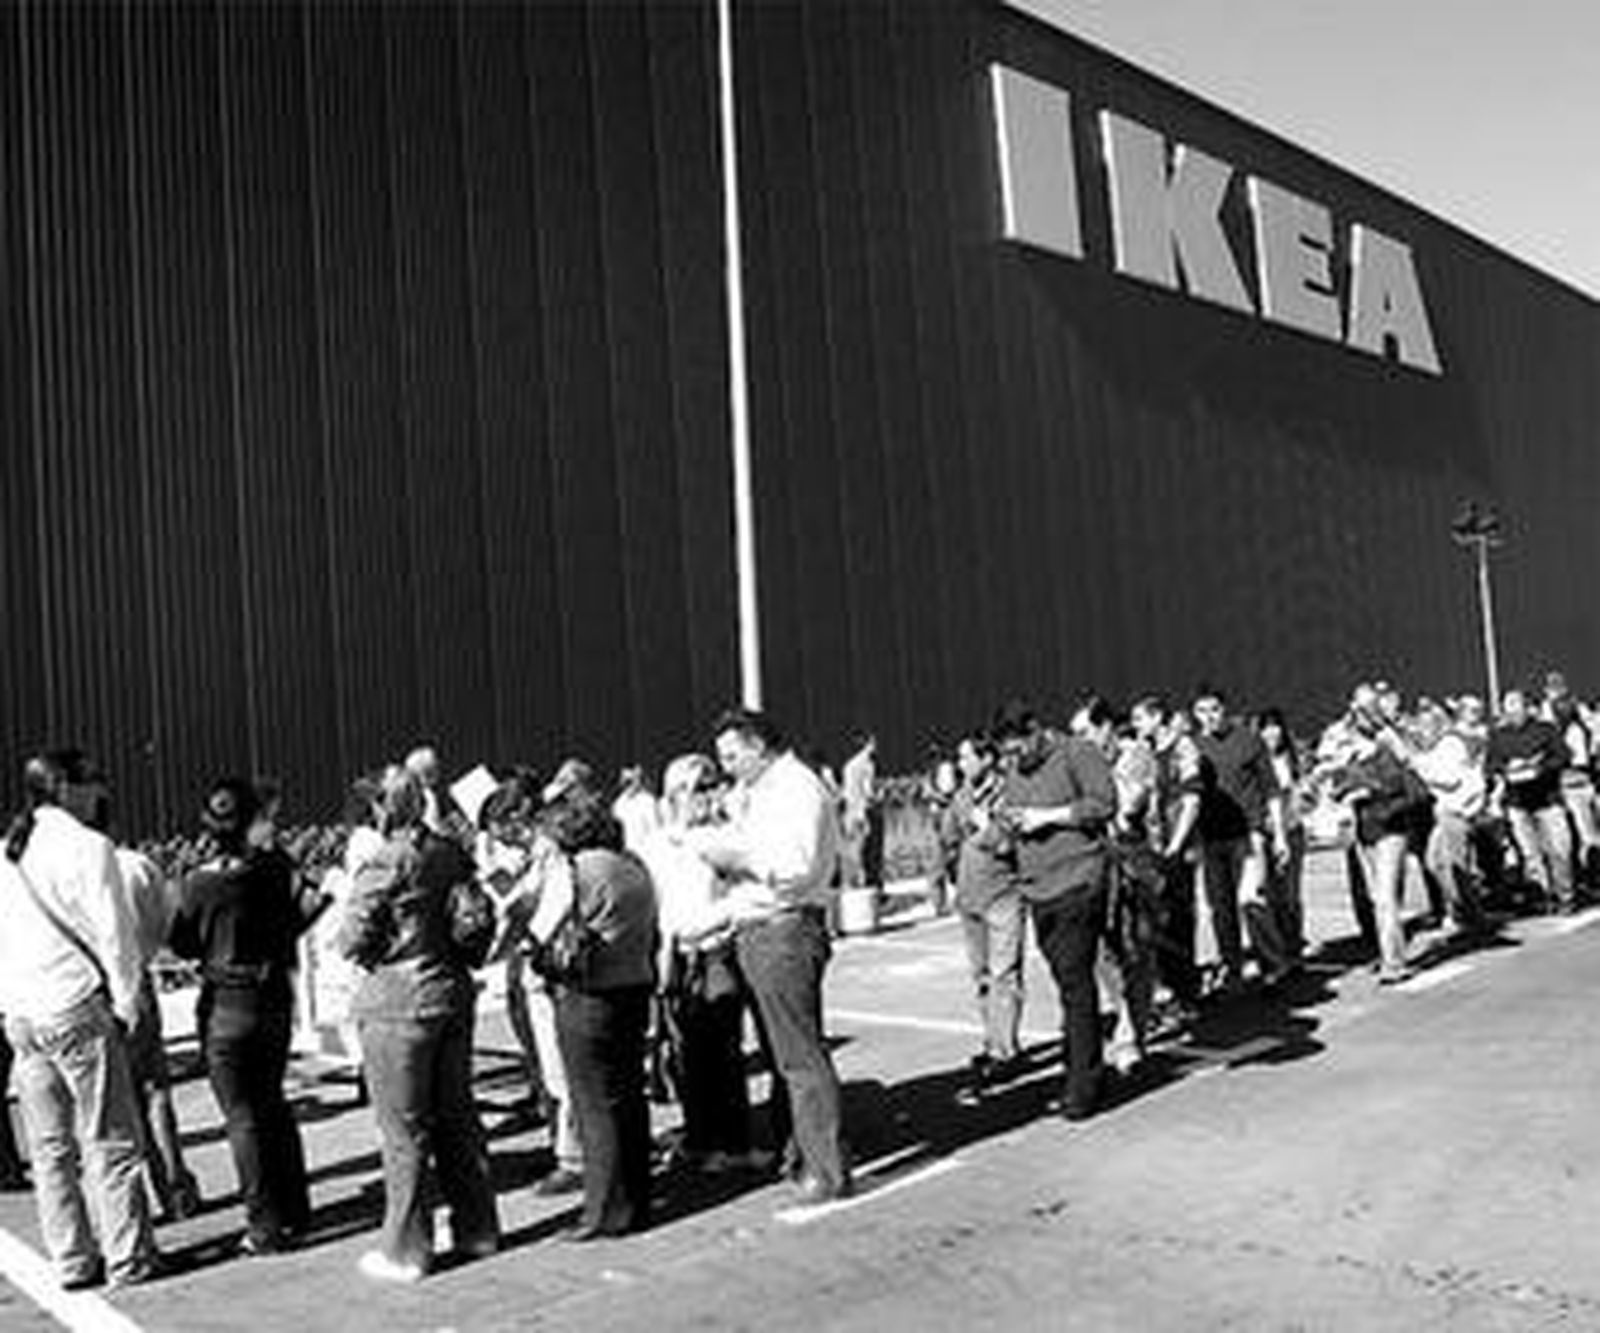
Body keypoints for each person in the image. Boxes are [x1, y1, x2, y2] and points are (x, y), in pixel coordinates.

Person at [0, 750, 161, 1289]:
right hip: (76, 1004)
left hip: (23, 1012)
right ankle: (128, 1256)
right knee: (110, 1139)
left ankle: (71, 1258)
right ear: (66, 787)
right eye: (93, 782)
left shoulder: (8, 850)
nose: (99, 793)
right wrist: (128, 1002)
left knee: (50, 1149)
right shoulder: (91, 848)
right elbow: (116, 936)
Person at [340, 765, 501, 1282]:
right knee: (457, 1117)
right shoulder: (450, 851)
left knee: (403, 1130)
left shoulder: (384, 861)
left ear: (383, 808)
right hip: (451, 992)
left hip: (397, 1002)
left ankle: (405, 1249)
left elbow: (350, 938)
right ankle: (478, 1229)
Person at [687, 708, 851, 1204]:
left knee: (800, 1057)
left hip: (784, 930)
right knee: (786, 1056)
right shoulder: (760, 792)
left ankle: (827, 1167)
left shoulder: (797, 789)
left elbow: (795, 867)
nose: (728, 766)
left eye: (732, 755)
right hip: (760, 929)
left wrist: (733, 855)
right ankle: (802, 1154)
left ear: (758, 746)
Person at [170, 778, 324, 1255]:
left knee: (241, 1116)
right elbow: (306, 909)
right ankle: (296, 1207)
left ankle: (264, 1223)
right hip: (273, 996)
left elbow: (182, 943)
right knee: (273, 1101)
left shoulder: (199, 882)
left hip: (225, 1002)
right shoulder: (276, 867)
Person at [524, 786, 659, 1240]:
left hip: (588, 992)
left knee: (592, 1103)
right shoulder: (634, 866)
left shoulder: (576, 871)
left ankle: (602, 1211)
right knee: (628, 1096)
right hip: (635, 986)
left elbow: (542, 930)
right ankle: (636, 1196)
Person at [77, 777, 201, 1222]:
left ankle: (128, 1207)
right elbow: (166, 926)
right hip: (139, 980)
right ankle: (176, 1187)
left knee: (111, 1104)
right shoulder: (137, 866)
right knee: (156, 1090)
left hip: (92, 989)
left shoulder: (72, 871)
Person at [992, 700, 1115, 1121]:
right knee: (1067, 981)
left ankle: (1084, 1084)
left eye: (1016, 749)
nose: (1012, 759)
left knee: (1075, 981)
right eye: (1005, 753)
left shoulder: (1077, 752)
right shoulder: (1014, 772)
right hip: (1038, 890)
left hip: (1078, 880)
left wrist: (1047, 817)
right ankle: (1082, 1064)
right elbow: (1014, 816)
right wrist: (1007, 825)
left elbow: (1103, 803)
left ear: (1035, 731)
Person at [637, 755, 752, 1170]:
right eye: (695, 788)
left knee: (723, 1049)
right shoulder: (656, 845)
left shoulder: (726, 837)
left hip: (717, 949)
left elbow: (743, 897)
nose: (705, 796)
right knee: (685, 1054)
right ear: (673, 795)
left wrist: (718, 917)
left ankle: (734, 1143)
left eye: (710, 785)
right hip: (674, 955)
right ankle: (701, 1137)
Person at [1191, 685, 1293, 992]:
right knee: (1220, 907)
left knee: (1250, 899)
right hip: (1211, 838)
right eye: (1202, 711)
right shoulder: (1194, 746)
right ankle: (1232, 967)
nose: (1209, 717)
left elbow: (1271, 789)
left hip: (1248, 835)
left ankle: (1274, 963)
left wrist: (1280, 836)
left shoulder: (1249, 741)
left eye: (1215, 710)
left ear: (1225, 710)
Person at [941, 734, 1024, 1097]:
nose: (962, 764)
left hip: (1003, 896)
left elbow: (1009, 843)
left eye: (967, 757)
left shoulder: (1009, 793)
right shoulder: (961, 795)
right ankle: (992, 1043)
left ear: (986, 758)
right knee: (982, 976)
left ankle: (1006, 1052)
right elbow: (948, 837)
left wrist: (983, 824)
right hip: (970, 899)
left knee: (1005, 974)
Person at [1486, 688, 1575, 913]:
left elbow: (1564, 756)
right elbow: (1491, 765)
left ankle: (1565, 894)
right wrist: (1506, 769)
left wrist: (1539, 768)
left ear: (1526, 707)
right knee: (1531, 855)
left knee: (1560, 849)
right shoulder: (1498, 736)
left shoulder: (1545, 730)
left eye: (1516, 704)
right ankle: (1545, 897)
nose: (1512, 710)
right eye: (1508, 705)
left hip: (1548, 799)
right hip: (1518, 803)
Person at [838, 732, 883, 894]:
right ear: (868, 744)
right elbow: (869, 792)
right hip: (865, 813)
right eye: (873, 742)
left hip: (851, 814)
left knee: (853, 854)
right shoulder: (867, 765)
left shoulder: (849, 765)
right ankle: (873, 890)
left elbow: (846, 793)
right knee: (871, 854)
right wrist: (880, 795)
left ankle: (853, 887)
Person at [612, 766, 662, 854]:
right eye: (625, 781)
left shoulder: (648, 801)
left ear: (638, 780)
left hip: (647, 851)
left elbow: (655, 829)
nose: (627, 784)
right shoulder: (619, 804)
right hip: (628, 853)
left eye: (631, 780)